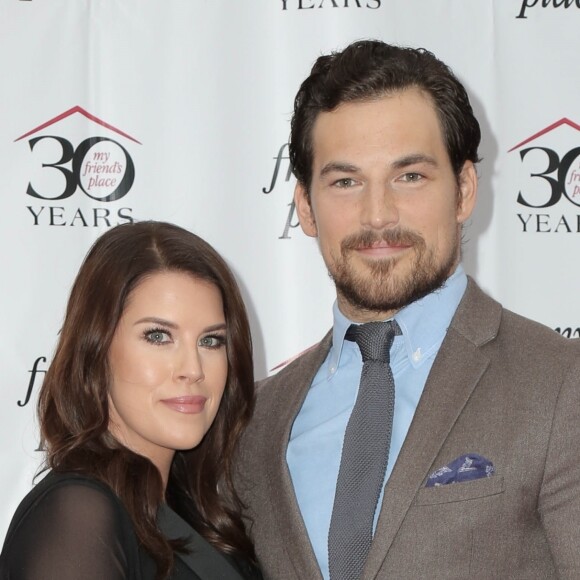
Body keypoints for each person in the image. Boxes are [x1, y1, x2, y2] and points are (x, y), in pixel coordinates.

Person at [235, 40, 580, 579]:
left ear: (464, 190)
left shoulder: (560, 384)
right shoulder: (256, 423)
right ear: (305, 205)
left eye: (410, 176)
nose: (378, 215)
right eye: (345, 181)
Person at [0, 221, 262, 580]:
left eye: (211, 341)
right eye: (158, 336)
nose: (193, 369)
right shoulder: (79, 514)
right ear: (96, 348)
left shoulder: (196, 514)